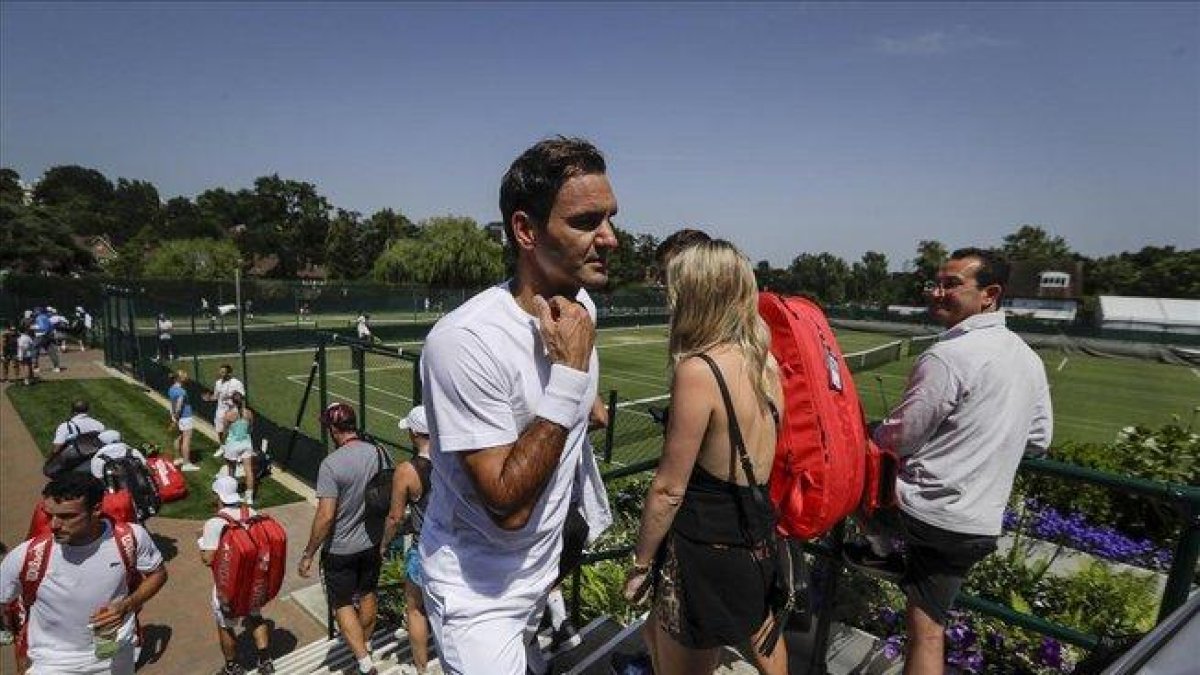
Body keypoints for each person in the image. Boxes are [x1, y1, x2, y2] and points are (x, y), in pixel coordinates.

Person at [417, 136, 617, 675]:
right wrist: (571, 377)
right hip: (478, 594)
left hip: (540, 572)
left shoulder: (582, 309)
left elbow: (580, 420)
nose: (611, 238)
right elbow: (509, 507)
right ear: (526, 231)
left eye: (610, 218)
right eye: (586, 221)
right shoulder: (463, 341)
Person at [843, 248, 1053, 675]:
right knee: (928, 628)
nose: (937, 293)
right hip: (977, 525)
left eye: (951, 285)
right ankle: (881, 551)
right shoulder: (1028, 358)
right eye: (935, 284)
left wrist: (868, 437)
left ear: (990, 294)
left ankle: (879, 549)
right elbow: (1038, 440)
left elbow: (898, 438)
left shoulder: (948, 356)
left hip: (925, 515)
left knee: (847, 466)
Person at [620, 240, 788, 675]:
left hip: (704, 554)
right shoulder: (765, 362)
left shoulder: (698, 370)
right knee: (762, 633)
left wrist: (640, 566)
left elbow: (668, 489)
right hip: (756, 539)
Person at [0, 473, 168, 674]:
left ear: (96, 509)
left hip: (115, 652)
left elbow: (158, 573)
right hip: (53, 663)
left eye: (67, 516)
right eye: (49, 514)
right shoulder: (26, 556)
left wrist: (128, 605)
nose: (54, 525)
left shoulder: (130, 538)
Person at [298, 402, 385, 675]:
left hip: (341, 549)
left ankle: (362, 661)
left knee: (343, 603)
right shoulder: (379, 453)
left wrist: (309, 553)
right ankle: (365, 647)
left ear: (334, 429)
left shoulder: (331, 464)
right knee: (368, 592)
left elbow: (325, 516)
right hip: (372, 542)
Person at [199, 475, 275, 675]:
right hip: (255, 579)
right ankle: (265, 661)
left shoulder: (214, 522)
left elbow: (207, 559)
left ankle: (232, 667)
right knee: (256, 616)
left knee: (225, 624)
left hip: (228, 584)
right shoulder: (250, 511)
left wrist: (201, 543)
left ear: (219, 495)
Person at [380, 406, 433, 675]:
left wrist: (384, 544)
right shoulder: (455, 459)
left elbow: (394, 517)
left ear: (414, 433)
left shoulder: (407, 470)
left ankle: (421, 669)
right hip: (458, 547)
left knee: (415, 609)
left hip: (426, 547)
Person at [220, 392, 257, 504]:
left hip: (233, 445)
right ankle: (249, 497)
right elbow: (250, 429)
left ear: (232, 401)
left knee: (231, 470)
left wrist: (222, 443)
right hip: (246, 444)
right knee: (248, 470)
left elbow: (225, 432)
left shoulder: (228, 414)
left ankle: (231, 493)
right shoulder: (249, 413)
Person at [203, 364, 246, 447]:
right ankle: (222, 446)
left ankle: (232, 448)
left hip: (232, 410)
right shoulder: (218, 383)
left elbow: (242, 396)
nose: (220, 374)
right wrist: (209, 398)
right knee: (219, 430)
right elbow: (216, 396)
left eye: (223, 372)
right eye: (220, 371)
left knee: (231, 431)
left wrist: (230, 397)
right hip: (220, 410)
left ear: (229, 373)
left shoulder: (236, 383)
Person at [168, 371, 201, 471]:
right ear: (179, 378)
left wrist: (174, 417)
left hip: (178, 417)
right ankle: (186, 463)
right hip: (185, 417)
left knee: (179, 438)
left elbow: (172, 405)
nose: (186, 377)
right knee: (186, 440)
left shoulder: (171, 389)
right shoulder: (182, 391)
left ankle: (178, 458)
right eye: (184, 376)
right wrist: (176, 418)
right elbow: (179, 405)